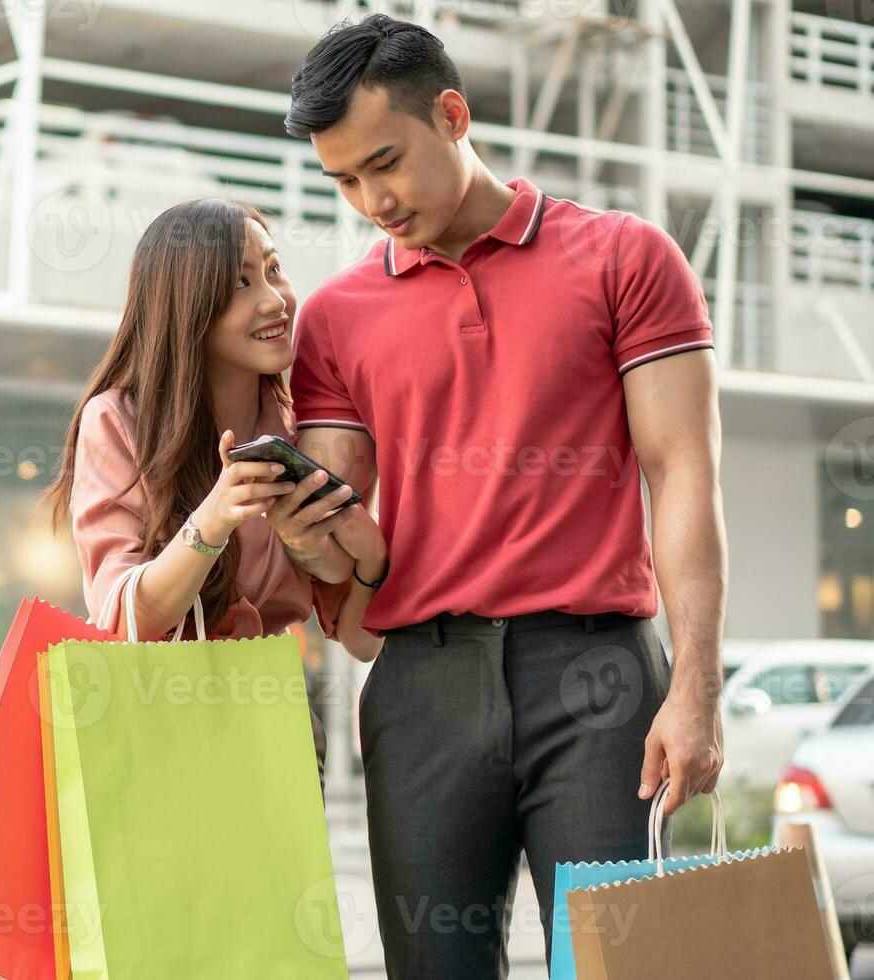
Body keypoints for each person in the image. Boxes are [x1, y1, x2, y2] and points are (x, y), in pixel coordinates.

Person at [278, 14, 727, 977]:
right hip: (423, 688)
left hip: (598, 677)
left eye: (385, 163)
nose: (372, 200)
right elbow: (346, 538)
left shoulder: (625, 258)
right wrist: (301, 529)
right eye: (344, 181)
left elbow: (681, 470)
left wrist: (697, 690)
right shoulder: (334, 319)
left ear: (452, 113)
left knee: (617, 967)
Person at [43, 197, 388, 792]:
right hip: (159, 719)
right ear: (189, 308)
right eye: (240, 284)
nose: (274, 300)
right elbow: (125, 619)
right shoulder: (119, 420)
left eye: (274, 270)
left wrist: (365, 557)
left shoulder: (302, 428)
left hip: (276, 718)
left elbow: (358, 634)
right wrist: (215, 517)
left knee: (277, 886)